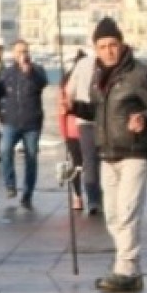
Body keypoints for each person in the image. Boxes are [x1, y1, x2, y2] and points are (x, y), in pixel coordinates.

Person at [66, 17, 147, 293]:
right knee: (112, 214)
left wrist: (145, 118)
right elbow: (99, 113)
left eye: (113, 45)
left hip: (136, 151)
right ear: (95, 49)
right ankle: (129, 268)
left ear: (122, 45)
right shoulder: (99, 76)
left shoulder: (140, 74)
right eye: (102, 47)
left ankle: (126, 268)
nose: (108, 51)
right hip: (108, 153)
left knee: (126, 211)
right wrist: (75, 107)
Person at [0, 40, 49, 209]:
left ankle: (27, 193)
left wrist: (29, 73)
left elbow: (42, 83)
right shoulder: (7, 73)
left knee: (31, 157)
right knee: (5, 150)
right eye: (19, 52)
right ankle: (10, 185)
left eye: (25, 51)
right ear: (13, 54)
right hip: (11, 121)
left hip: (32, 122)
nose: (22, 55)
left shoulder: (37, 70)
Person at [67, 44, 102, 215]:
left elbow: (69, 91)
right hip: (96, 119)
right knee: (101, 159)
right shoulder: (86, 65)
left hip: (86, 120)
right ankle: (98, 198)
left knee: (89, 160)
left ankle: (94, 199)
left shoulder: (82, 64)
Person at [60, 50, 87, 211]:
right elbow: (61, 108)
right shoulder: (68, 81)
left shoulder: (67, 80)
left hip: (73, 130)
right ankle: (80, 196)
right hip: (77, 129)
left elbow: (60, 110)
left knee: (77, 164)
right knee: (84, 164)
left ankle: (78, 197)